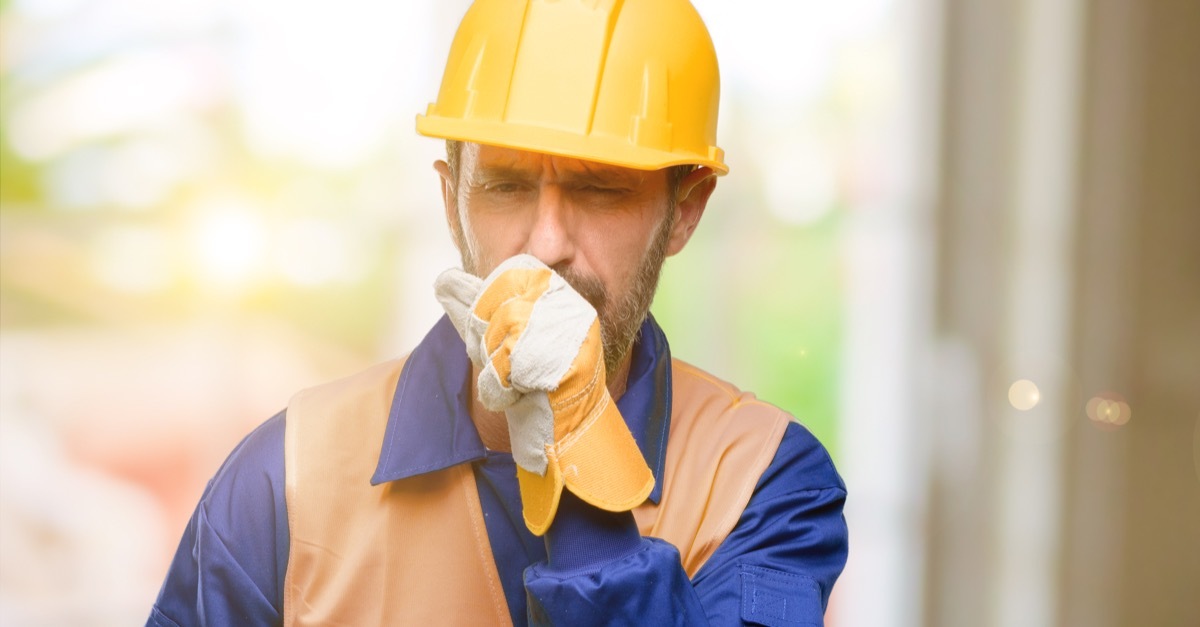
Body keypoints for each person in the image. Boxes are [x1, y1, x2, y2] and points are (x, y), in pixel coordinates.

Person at [148, 0, 848, 625]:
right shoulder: (285, 482)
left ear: (684, 212)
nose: (546, 246)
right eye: (506, 185)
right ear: (450, 199)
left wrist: (580, 452)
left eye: (601, 190)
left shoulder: (763, 481)